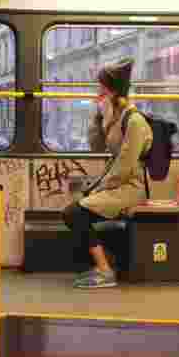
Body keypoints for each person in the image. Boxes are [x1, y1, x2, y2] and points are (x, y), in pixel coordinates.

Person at [63, 58, 153, 290]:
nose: (98, 93)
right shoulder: (114, 119)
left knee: (74, 213)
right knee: (74, 211)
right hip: (117, 185)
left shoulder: (135, 122)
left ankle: (105, 270)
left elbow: (125, 166)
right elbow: (95, 147)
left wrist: (99, 188)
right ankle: (103, 265)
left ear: (113, 91)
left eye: (101, 88)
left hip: (131, 189)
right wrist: (98, 117)